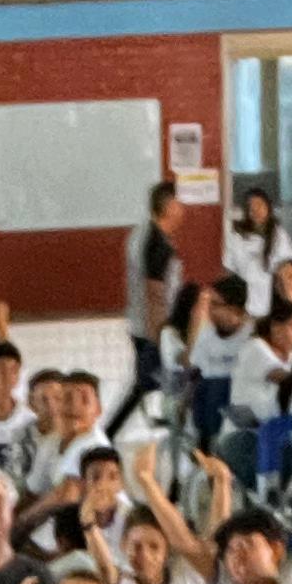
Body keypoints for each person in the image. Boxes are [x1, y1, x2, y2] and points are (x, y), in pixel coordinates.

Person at [110, 180, 184, 440]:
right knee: (159, 384)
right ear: (168, 207)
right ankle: (109, 434)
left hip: (140, 324)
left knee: (147, 385)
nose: (182, 209)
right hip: (152, 328)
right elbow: (155, 293)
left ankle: (111, 432)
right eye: (178, 203)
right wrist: (159, 335)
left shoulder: (140, 233)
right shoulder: (157, 243)